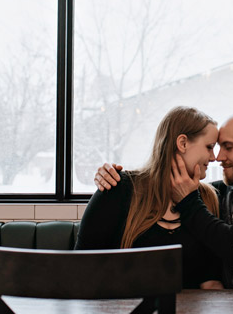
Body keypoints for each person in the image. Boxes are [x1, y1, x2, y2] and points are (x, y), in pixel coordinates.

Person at [95, 111, 233, 288]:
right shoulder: (219, 194)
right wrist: (111, 174)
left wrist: (189, 201)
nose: (217, 157)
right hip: (231, 306)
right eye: (212, 147)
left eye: (228, 147)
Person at [75, 105, 224, 289]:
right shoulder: (118, 188)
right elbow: (83, 265)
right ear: (183, 143)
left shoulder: (209, 198)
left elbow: (210, 279)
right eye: (209, 147)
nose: (214, 157)